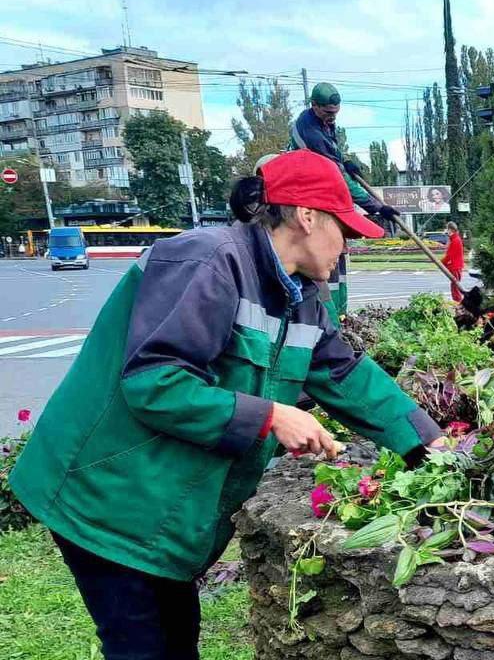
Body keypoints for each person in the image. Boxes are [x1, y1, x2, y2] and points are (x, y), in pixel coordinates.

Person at [9, 150, 442, 660]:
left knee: (175, 637)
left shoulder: (300, 293)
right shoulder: (205, 261)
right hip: (105, 497)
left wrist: (432, 445)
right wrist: (272, 416)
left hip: (160, 504)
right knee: (142, 646)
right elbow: (155, 382)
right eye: (344, 231)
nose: (348, 247)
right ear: (307, 216)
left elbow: (344, 372)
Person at [288, 81, 401, 324]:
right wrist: (377, 207)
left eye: (335, 113)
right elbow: (337, 182)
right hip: (311, 203)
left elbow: (336, 162)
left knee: (337, 265)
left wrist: (345, 162)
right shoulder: (310, 133)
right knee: (322, 270)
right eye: (328, 113)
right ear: (314, 106)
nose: (332, 118)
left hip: (323, 199)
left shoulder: (325, 124)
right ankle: (328, 324)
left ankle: (340, 318)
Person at [443, 221, 465, 303]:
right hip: (455, 266)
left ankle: (458, 303)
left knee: (455, 287)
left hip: (456, 267)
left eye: (447, 229)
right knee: (455, 286)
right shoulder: (454, 239)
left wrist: (442, 263)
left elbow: (449, 256)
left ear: (450, 229)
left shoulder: (455, 240)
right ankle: (458, 302)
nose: (446, 231)